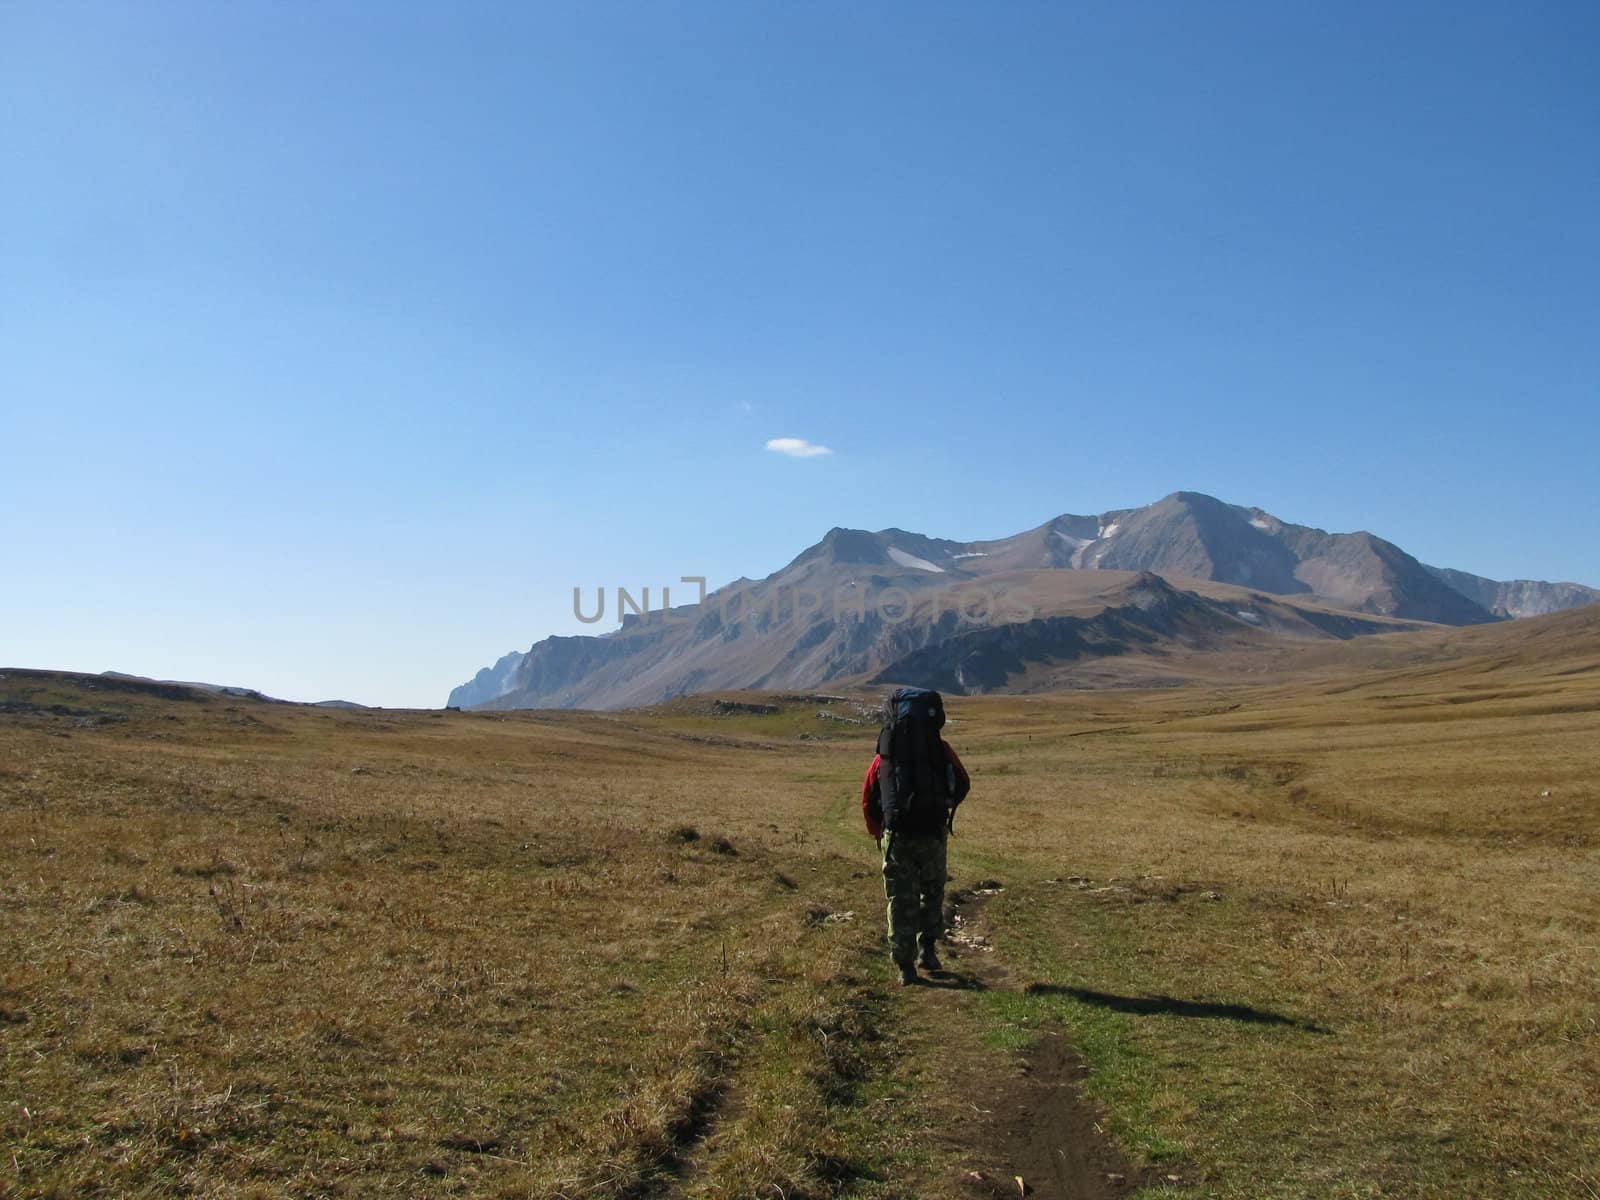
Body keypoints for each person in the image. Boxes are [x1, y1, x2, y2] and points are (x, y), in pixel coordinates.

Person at [861, 687, 970, 985]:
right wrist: (944, 805)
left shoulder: (887, 753)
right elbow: (962, 782)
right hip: (933, 833)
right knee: (932, 892)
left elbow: (869, 795)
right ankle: (928, 951)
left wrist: (878, 831)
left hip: (897, 837)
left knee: (900, 898)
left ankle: (904, 966)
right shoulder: (940, 748)